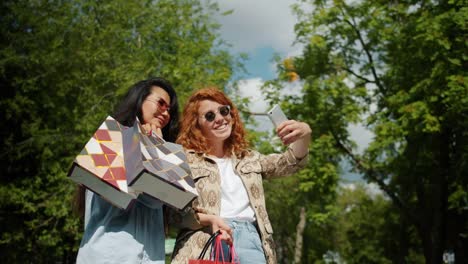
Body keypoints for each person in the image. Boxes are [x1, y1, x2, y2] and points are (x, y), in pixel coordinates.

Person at [171, 88, 312, 264]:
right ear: (196, 125)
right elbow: (173, 214)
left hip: (249, 240)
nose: (220, 118)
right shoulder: (184, 160)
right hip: (203, 240)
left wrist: (304, 135)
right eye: (209, 116)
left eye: (224, 111)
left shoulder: (249, 158)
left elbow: (291, 162)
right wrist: (210, 219)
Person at [75, 77, 180, 264]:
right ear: (140, 99)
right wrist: (154, 149)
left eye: (169, 110)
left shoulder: (168, 154)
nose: (165, 112)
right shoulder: (109, 139)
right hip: (110, 255)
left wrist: (158, 148)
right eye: (161, 103)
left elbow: (164, 200)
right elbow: (143, 198)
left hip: (150, 258)